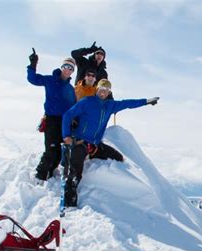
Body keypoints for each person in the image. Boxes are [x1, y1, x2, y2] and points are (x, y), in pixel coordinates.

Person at [61, 79, 159, 207]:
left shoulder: (110, 105)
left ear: (109, 92)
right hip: (81, 141)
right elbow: (67, 115)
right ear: (97, 90)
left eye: (107, 91)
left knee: (118, 157)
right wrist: (66, 136)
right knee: (75, 171)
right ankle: (69, 202)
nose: (103, 93)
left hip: (95, 144)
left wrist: (146, 101)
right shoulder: (87, 102)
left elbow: (127, 103)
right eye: (102, 89)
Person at [27, 50, 77, 183]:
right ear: (62, 67)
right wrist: (33, 64)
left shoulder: (71, 89)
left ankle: (50, 172)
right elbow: (33, 79)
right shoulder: (50, 80)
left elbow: (74, 107)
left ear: (72, 71)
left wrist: (74, 120)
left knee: (60, 152)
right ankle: (40, 176)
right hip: (51, 120)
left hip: (64, 122)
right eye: (66, 66)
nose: (68, 70)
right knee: (51, 149)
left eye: (71, 68)